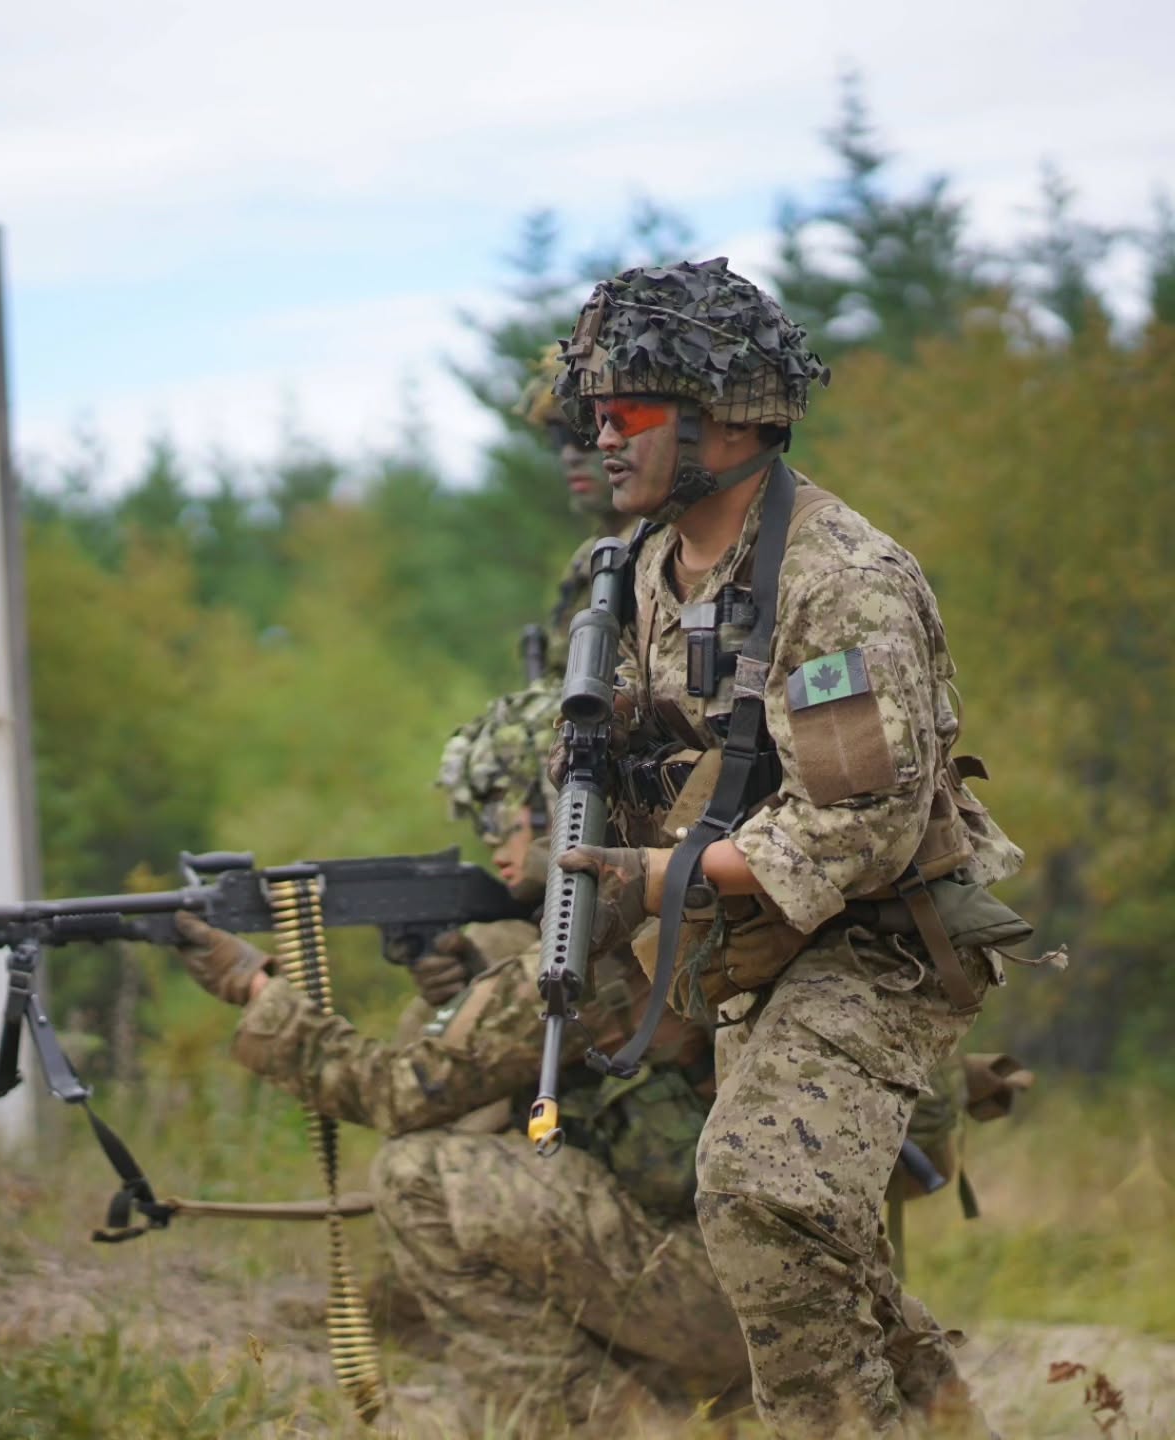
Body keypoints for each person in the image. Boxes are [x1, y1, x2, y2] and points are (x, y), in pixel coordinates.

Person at [545, 258, 1055, 1437]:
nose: (602, 442)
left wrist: (659, 876)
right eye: (595, 416)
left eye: (625, 414)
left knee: (759, 1195)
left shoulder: (841, 583)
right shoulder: (643, 578)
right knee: (801, 1235)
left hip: (883, 939)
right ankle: (933, 1413)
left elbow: (862, 828)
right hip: (756, 948)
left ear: (728, 417)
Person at [173, 686, 751, 1426]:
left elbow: (396, 1092)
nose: (495, 846)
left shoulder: (589, 953)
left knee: (416, 1179)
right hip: (751, 1284)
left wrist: (256, 990)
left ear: (563, 813)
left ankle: (585, 1419)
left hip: (711, 1299)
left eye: (505, 818)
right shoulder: (671, 902)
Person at [514, 344, 641, 679]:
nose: (570, 456)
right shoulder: (592, 556)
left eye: (585, 433)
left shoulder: (662, 555)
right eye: (558, 438)